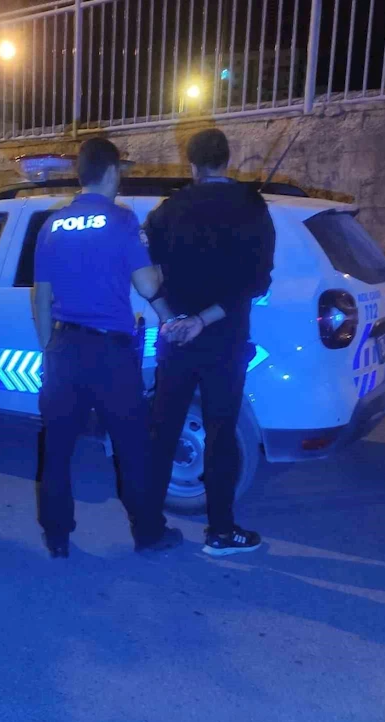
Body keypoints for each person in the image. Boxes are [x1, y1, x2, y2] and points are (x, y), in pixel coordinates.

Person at [31, 137, 181, 559]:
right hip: (110, 355)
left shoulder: (52, 225)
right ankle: (148, 533)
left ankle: (57, 536)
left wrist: (49, 349)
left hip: (64, 348)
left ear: (80, 175)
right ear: (113, 172)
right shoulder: (121, 219)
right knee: (133, 447)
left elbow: (41, 298)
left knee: (57, 448)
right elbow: (147, 285)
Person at [145, 128, 275, 557]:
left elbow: (145, 267)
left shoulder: (169, 210)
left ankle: (148, 525)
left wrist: (174, 318)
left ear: (192, 164)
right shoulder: (251, 206)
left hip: (177, 338)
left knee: (164, 430)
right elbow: (257, 282)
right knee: (221, 435)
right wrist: (205, 319)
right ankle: (221, 532)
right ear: (226, 159)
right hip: (225, 340)